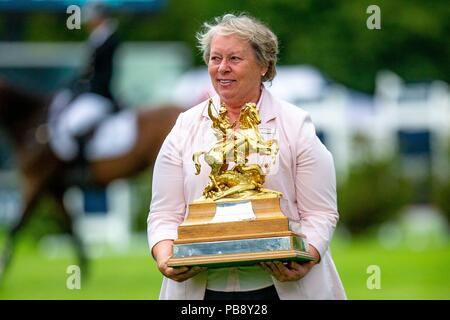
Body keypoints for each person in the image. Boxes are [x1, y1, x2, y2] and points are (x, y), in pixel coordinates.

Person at [147, 13, 346, 300]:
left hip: (283, 288)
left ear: (264, 65)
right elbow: (164, 214)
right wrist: (165, 256)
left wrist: (308, 256)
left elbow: (321, 212)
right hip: (201, 292)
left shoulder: (296, 125)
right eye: (215, 59)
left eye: (234, 59)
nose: (222, 68)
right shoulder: (184, 127)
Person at [48, 2, 121, 182]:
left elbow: (100, 74)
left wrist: (86, 85)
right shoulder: (96, 39)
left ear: (99, 18)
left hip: (99, 94)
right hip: (89, 92)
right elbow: (87, 71)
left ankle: (82, 169)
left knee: (75, 125)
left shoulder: (108, 39)